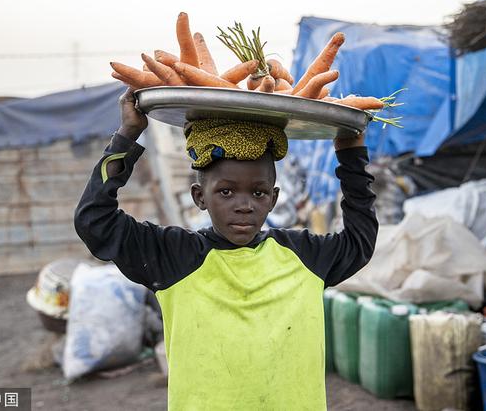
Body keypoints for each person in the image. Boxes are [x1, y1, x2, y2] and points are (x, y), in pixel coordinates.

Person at [74, 88, 379, 410]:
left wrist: (351, 155)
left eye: (259, 193)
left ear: (274, 199)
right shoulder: (174, 256)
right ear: (199, 196)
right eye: (226, 192)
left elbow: (360, 240)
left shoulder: (303, 255)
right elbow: (95, 221)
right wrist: (128, 135)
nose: (244, 206)